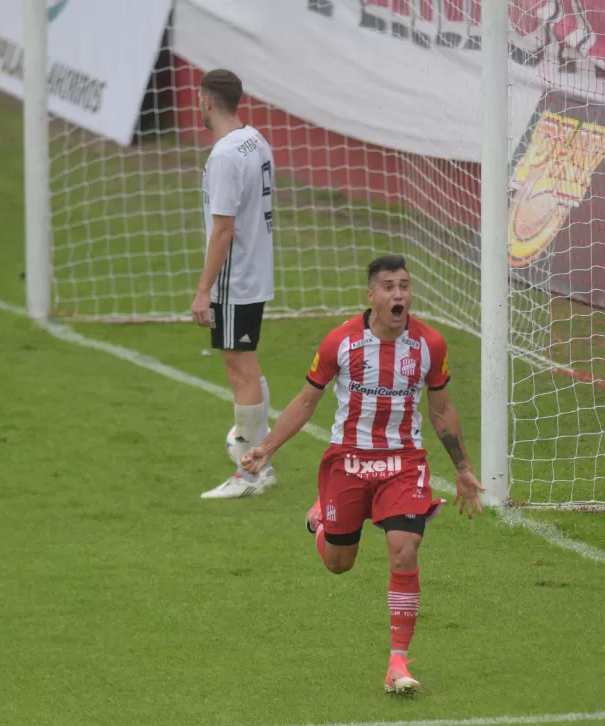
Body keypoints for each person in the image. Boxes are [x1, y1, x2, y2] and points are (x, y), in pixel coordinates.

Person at [241, 254, 485, 694]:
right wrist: (267, 447)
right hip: (349, 462)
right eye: (389, 286)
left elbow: (442, 409)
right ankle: (320, 520)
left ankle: (397, 663)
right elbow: (306, 401)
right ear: (370, 294)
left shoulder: (430, 344)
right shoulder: (341, 342)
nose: (399, 295)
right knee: (339, 563)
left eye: (405, 286)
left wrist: (463, 468)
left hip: (403, 462)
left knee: (404, 549)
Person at [188, 68, 278, 499]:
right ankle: (261, 460)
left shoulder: (224, 155)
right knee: (246, 363)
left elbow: (222, 229)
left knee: (238, 367)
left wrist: (205, 290)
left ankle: (251, 471)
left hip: (235, 276)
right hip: (255, 269)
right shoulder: (255, 139)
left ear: (206, 100)